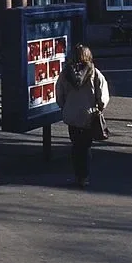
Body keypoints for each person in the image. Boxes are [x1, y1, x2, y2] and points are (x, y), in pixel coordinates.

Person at [55, 43, 109, 189]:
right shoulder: (95, 73)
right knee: (85, 146)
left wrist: (65, 107)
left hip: (71, 115)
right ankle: (84, 177)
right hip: (88, 116)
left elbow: (59, 95)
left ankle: (77, 174)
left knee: (75, 145)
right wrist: (99, 107)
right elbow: (103, 97)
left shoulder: (65, 74)